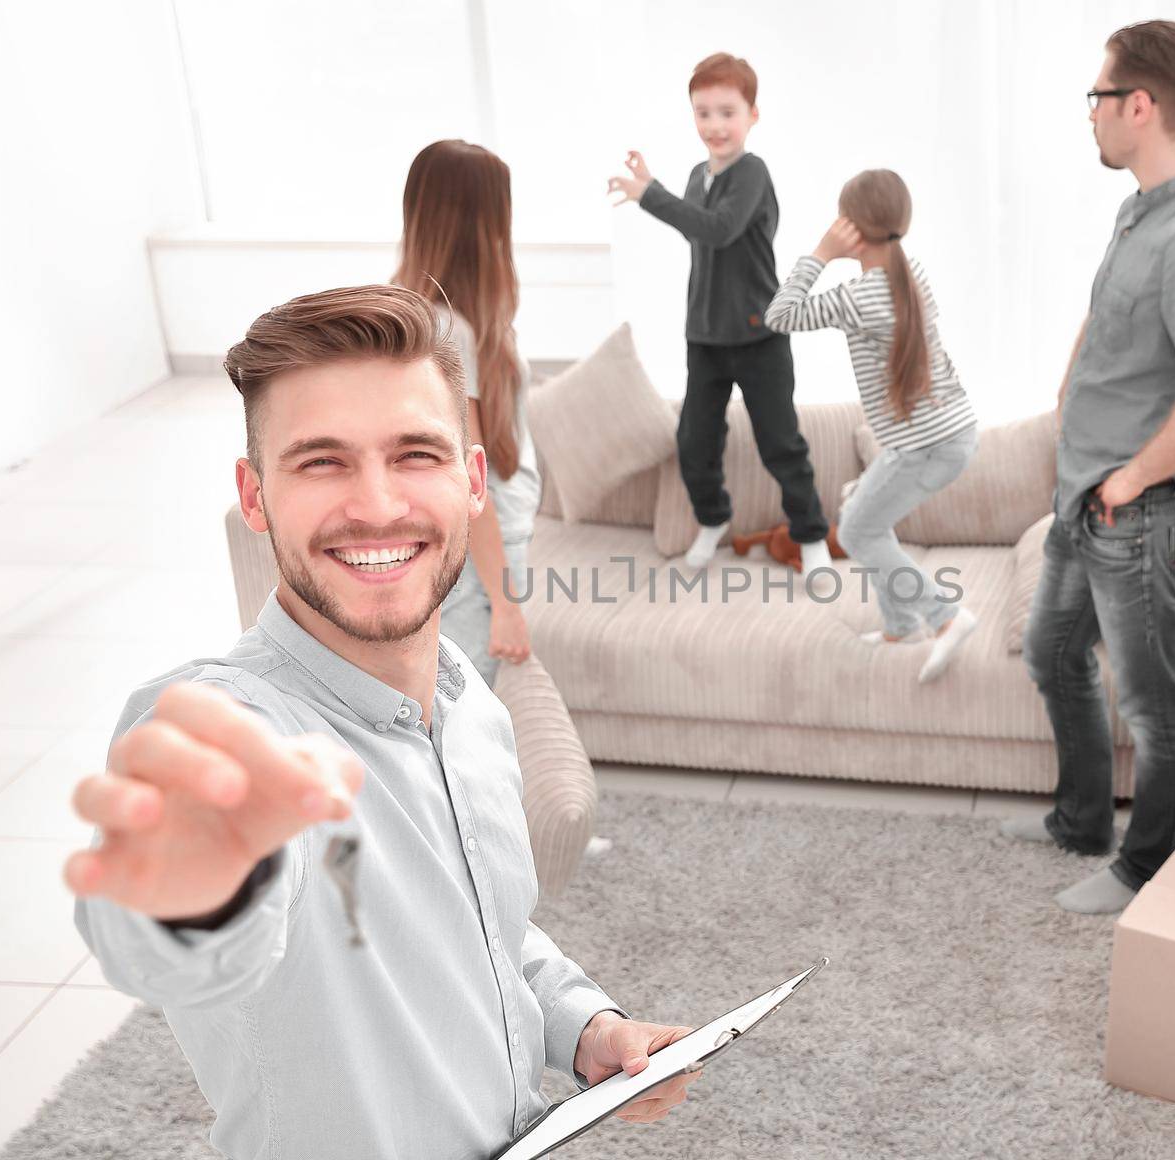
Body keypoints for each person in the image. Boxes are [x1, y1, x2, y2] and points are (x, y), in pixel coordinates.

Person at [66, 285, 699, 1159]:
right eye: (321, 461)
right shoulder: (231, 727)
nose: (375, 504)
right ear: (254, 496)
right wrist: (193, 890)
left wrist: (588, 1029)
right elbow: (178, 931)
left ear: (471, 482)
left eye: (415, 454)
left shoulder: (470, 702)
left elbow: (479, 927)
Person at [1006, 20, 1175, 915]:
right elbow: (1111, 322)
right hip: (1092, 498)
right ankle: (1081, 819)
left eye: (1098, 98)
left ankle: (1149, 868)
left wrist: (1130, 476)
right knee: (1053, 651)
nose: (1092, 117)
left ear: (1139, 106)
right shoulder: (1143, 210)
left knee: (1153, 705)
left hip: (1136, 510)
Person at [608, 52, 831, 572]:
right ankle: (713, 519)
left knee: (781, 444)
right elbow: (694, 227)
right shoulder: (696, 174)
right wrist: (658, 192)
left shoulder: (752, 172)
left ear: (753, 115)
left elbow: (719, 229)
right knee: (694, 442)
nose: (715, 124)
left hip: (760, 336)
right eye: (703, 112)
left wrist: (650, 195)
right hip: (705, 337)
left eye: (727, 112)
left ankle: (811, 534)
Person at [764, 169, 980, 683]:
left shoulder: (857, 299)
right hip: (949, 435)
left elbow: (779, 314)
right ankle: (902, 625)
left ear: (852, 228)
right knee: (864, 514)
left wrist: (820, 253)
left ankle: (945, 615)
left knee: (858, 530)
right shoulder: (912, 274)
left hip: (926, 446)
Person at [395, 139, 537, 688]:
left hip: (493, 548)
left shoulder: (427, 313)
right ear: (481, 222)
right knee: (462, 717)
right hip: (483, 567)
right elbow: (464, 480)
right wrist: (505, 604)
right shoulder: (446, 327)